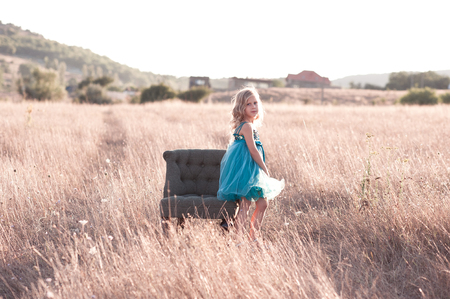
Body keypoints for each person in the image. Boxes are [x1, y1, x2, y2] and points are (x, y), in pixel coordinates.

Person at [217, 86, 284, 242]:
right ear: (241, 107)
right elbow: (253, 151)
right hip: (247, 172)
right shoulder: (246, 127)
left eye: (255, 103)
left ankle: (254, 237)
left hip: (251, 171)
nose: (253, 107)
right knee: (245, 206)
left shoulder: (250, 126)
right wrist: (265, 169)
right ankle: (239, 240)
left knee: (262, 204)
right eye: (248, 104)